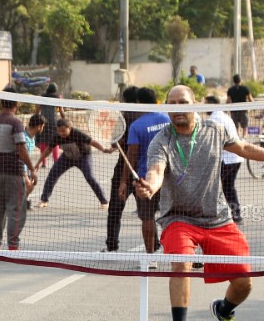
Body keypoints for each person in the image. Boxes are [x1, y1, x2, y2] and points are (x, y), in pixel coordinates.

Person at [134, 85, 264, 321]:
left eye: (183, 102)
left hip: (217, 217)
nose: (178, 108)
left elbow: (244, 148)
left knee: (244, 281)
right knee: (181, 262)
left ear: (194, 105)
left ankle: (224, 310)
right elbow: (156, 170)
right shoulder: (162, 139)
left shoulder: (215, 130)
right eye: (172, 103)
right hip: (178, 218)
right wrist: (151, 187)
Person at [120, 87, 171, 267]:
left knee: (147, 218)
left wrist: (123, 181)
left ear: (138, 103)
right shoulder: (167, 119)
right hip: (169, 178)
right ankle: (185, 255)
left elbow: (132, 155)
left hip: (145, 180)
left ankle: (151, 258)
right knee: (175, 218)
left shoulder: (137, 126)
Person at [0, 94, 37, 250]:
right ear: (16, 104)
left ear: (2, 103)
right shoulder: (16, 123)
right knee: (16, 208)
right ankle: (13, 245)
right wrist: (31, 168)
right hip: (13, 172)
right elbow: (21, 148)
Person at [36, 117, 114, 209]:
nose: (61, 133)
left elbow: (92, 142)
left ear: (70, 128)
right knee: (52, 174)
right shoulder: (56, 137)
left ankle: (104, 201)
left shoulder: (77, 134)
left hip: (83, 157)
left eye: (64, 131)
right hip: (67, 157)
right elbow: (48, 150)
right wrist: (38, 163)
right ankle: (44, 200)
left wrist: (103, 149)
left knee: (90, 177)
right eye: (59, 131)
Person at [104, 86, 141, 252]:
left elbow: (114, 143)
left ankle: (112, 246)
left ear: (126, 100)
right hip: (144, 168)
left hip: (123, 169)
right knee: (147, 214)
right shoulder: (144, 117)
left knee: (115, 210)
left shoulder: (123, 118)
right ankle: (153, 248)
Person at [206, 95, 243, 224]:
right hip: (231, 158)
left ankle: (235, 214)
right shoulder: (223, 116)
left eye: (206, 104)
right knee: (226, 186)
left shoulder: (215, 119)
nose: (204, 107)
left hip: (229, 158)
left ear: (212, 105)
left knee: (226, 187)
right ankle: (232, 213)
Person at [23, 114, 48, 209]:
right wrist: (25, 175)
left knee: (32, 183)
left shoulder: (32, 137)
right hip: (18, 167)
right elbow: (20, 158)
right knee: (28, 184)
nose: (43, 128)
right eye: (43, 126)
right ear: (39, 126)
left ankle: (24, 200)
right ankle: (20, 202)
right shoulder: (24, 138)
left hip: (27, 166)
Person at [36, 82, 63, 168]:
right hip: (53, 122)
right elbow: (61, 110)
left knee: (43, 142)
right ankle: (56, 162)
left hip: (43, 121)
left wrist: (36, 116)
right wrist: (64, 118)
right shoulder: (58, 97)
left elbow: (37, 109)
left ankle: (44, 163)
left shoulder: (42, 97)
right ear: (55, 90)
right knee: (55, 142)